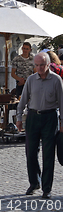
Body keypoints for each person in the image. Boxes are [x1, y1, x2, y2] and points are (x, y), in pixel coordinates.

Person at [16, 52, 63, 199]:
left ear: (48, 64)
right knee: (30, 152)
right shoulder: (31, 79)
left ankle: (46, 188)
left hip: (50, 117)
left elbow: (62, 103)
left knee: (48, 154)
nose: (39, 68)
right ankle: (34, 182)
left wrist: (62, 122)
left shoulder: (56, 80)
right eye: (36, 65)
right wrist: (18, 118)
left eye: (42, 65)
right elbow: (23, 100)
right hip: (33, 117)